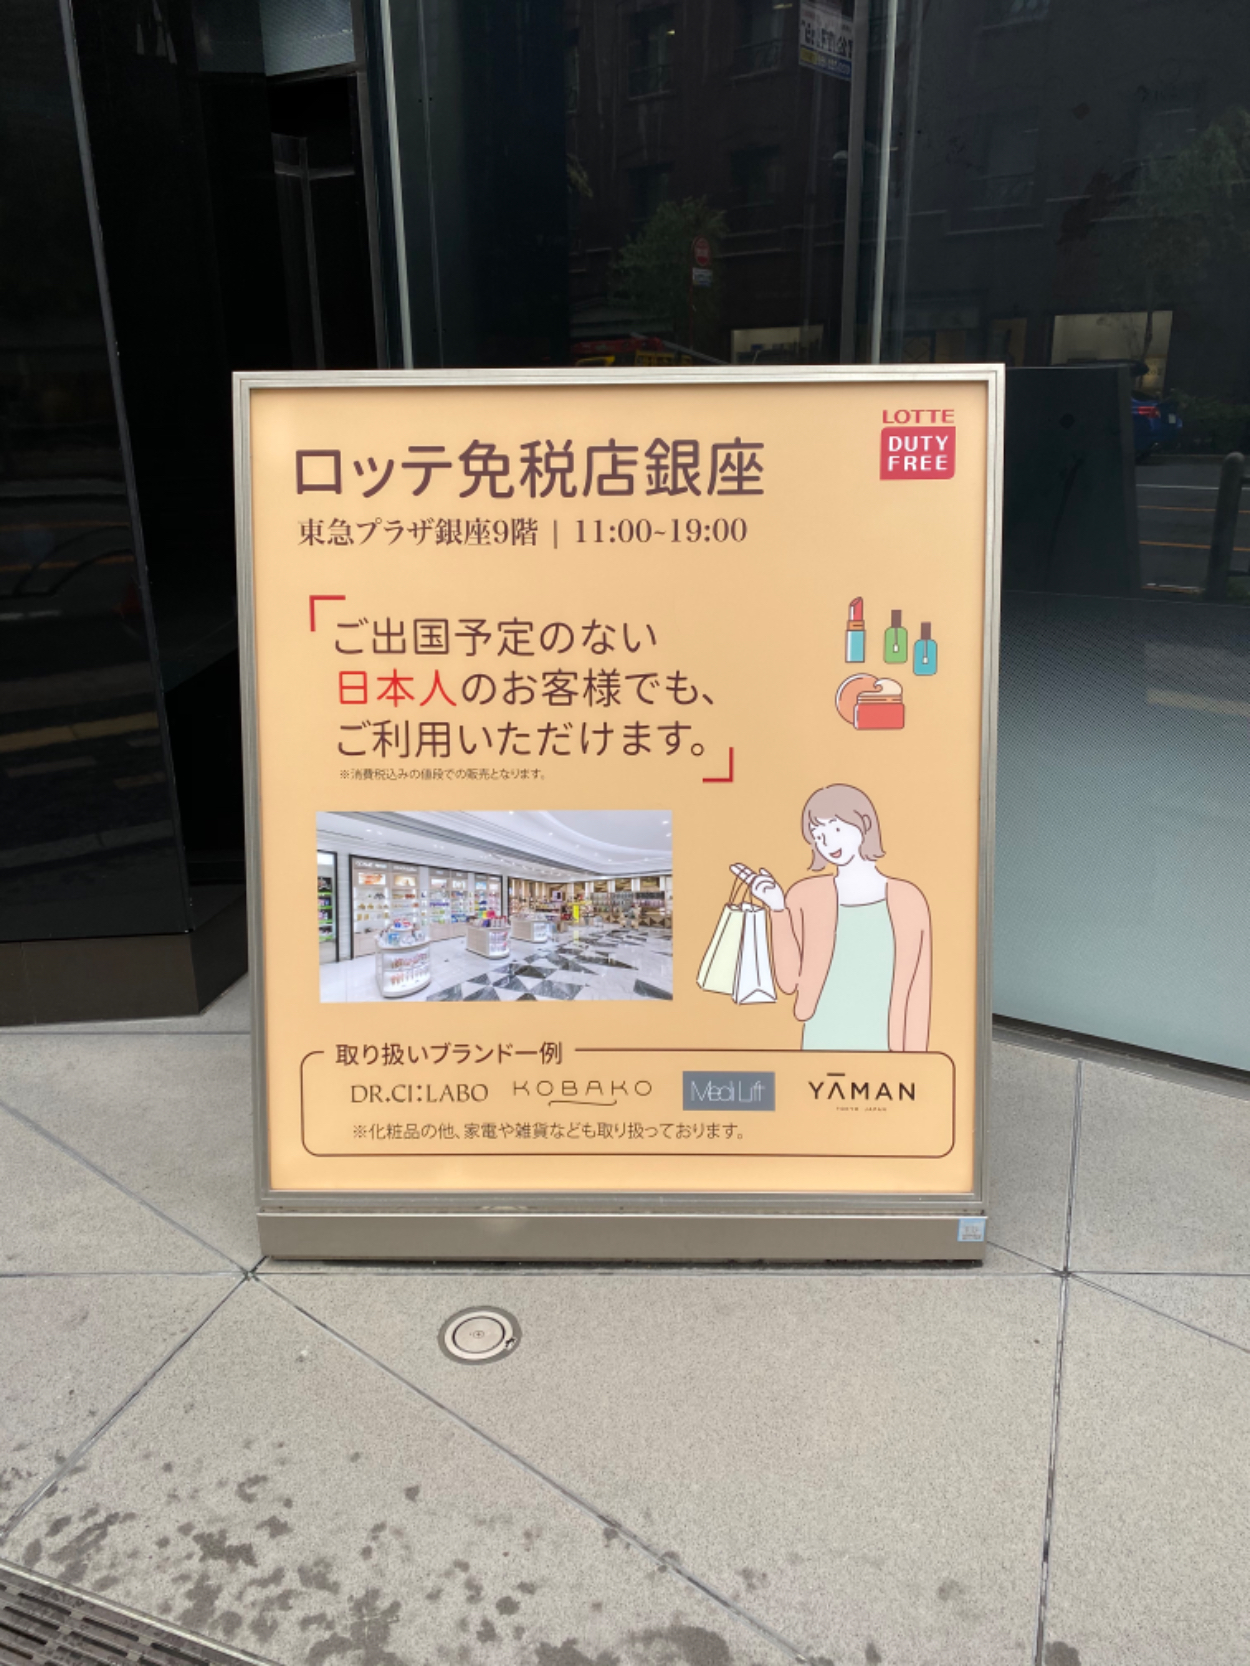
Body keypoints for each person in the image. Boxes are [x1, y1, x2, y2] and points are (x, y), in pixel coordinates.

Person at [731, 783, 930, 1051]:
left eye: (836, 829)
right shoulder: (804, 895)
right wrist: (777, 909)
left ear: (864, 824)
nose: (827, 843)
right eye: (818, 836)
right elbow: (788, 982)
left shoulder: (908, 899)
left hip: (887, 1045)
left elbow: (918, 991)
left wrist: (916, 1061)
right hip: (822, 1039)